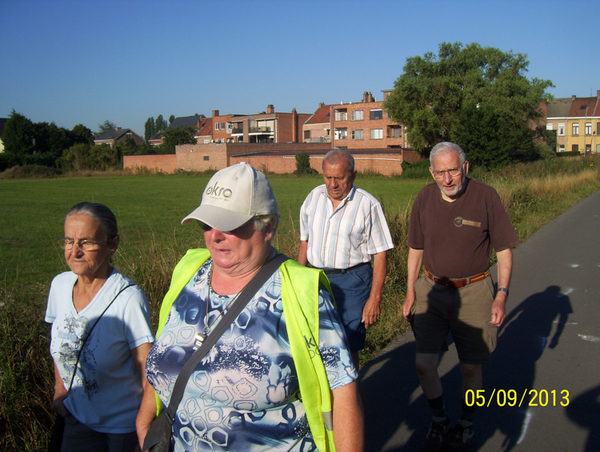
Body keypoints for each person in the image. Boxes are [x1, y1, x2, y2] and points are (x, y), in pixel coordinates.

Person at [137, 163, 363, 452]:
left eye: (228, 225)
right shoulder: (187, 272)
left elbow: (342, 393)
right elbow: (163, 351)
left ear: (267, 227)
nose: (214, 235)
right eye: (207, 223)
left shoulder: (300, 292)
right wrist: (145, 422)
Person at [402, 142, 519, 452]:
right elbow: (415, 248)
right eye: (440, 172)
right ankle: (439, 420)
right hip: (432, 289)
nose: (448, 178)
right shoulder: (425, 198)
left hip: (475, 289)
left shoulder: (486, 197)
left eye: (453, 170)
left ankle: (466, 424)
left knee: (470, 367)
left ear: (465, 167)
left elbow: (504, 251)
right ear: (431, 172)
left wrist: (501, 295)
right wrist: (410, 289)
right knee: (425, 363)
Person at [45, 202, 154, 452]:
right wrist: (59, 390)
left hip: (122, 428)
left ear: (112, 244)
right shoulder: (59, 286)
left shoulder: (128, 298)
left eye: (87, 242)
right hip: (76, 419)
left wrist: (145, 425)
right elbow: (60, 344)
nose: (75, 251)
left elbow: (148, 370)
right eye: (69, 241)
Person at [298, 149, 393, 366]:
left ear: (353, 175)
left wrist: (374, 299)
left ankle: (349, 396)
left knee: (347, 345)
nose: (333, 184)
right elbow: (305, 242)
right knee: (316, 341)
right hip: (316, 279)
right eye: (328, 177)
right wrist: (297, 281)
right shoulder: (313, 198)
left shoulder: (367, 205)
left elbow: (380, 253)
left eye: (339, 178)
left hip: (353, 281)